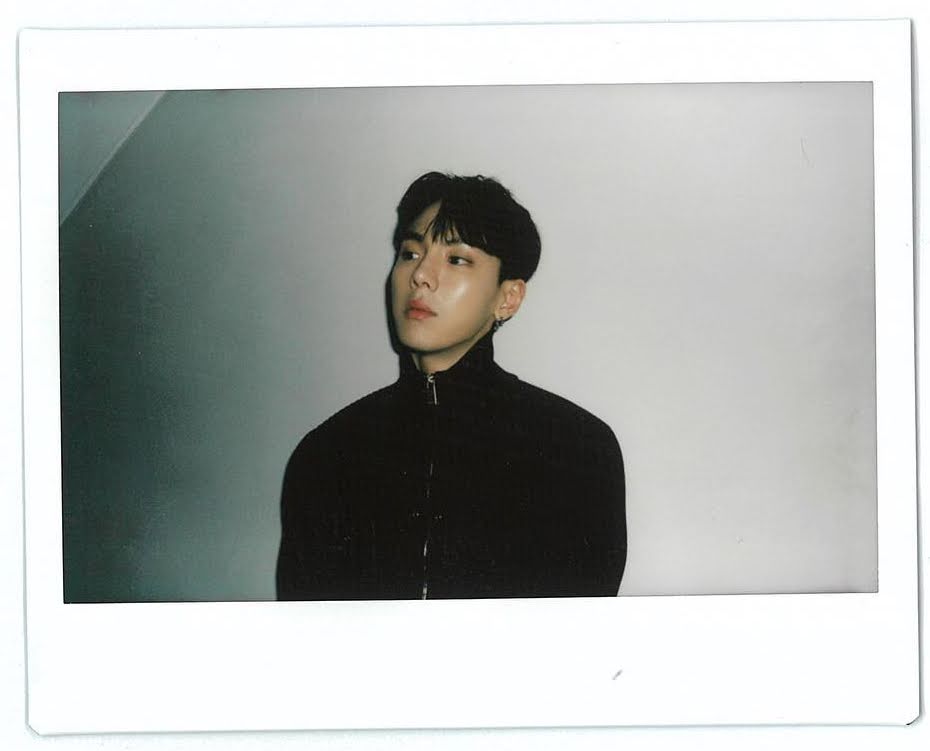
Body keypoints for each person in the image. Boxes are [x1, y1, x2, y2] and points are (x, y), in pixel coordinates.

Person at [276, 171, 626, 600]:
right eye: (409, 253)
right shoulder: (326, 455)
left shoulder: (576, 450)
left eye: (457, 259)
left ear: (508, 297)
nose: (421, 275)